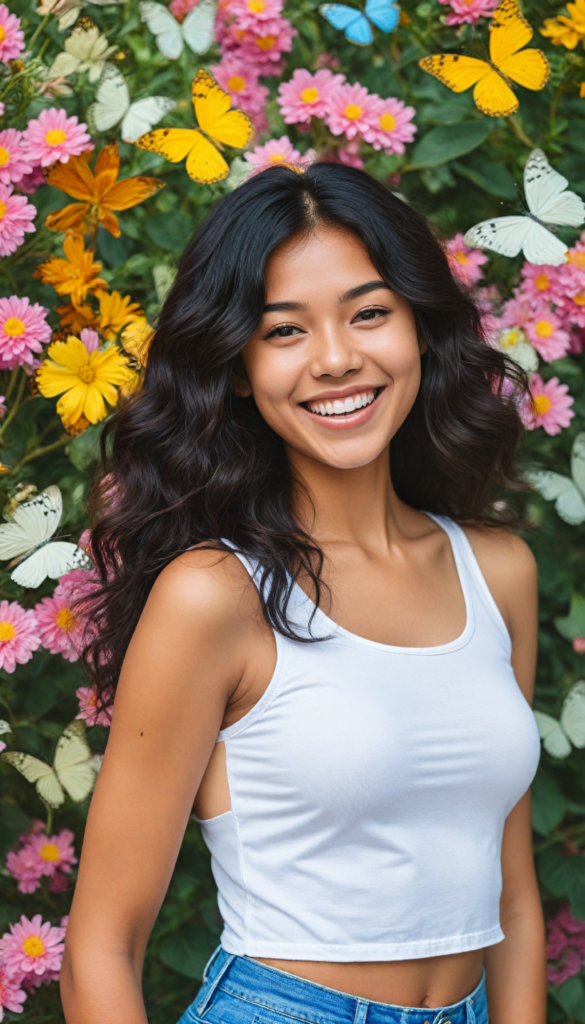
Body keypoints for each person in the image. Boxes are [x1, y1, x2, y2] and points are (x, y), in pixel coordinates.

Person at [60, 163, 546, 1024]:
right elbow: (102, 944)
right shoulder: (212, 596)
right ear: (239, 367)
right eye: (284, 331)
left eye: (368, 313)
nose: (335, 359)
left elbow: (508, 897)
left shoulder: (496, 570)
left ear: (419, 330)